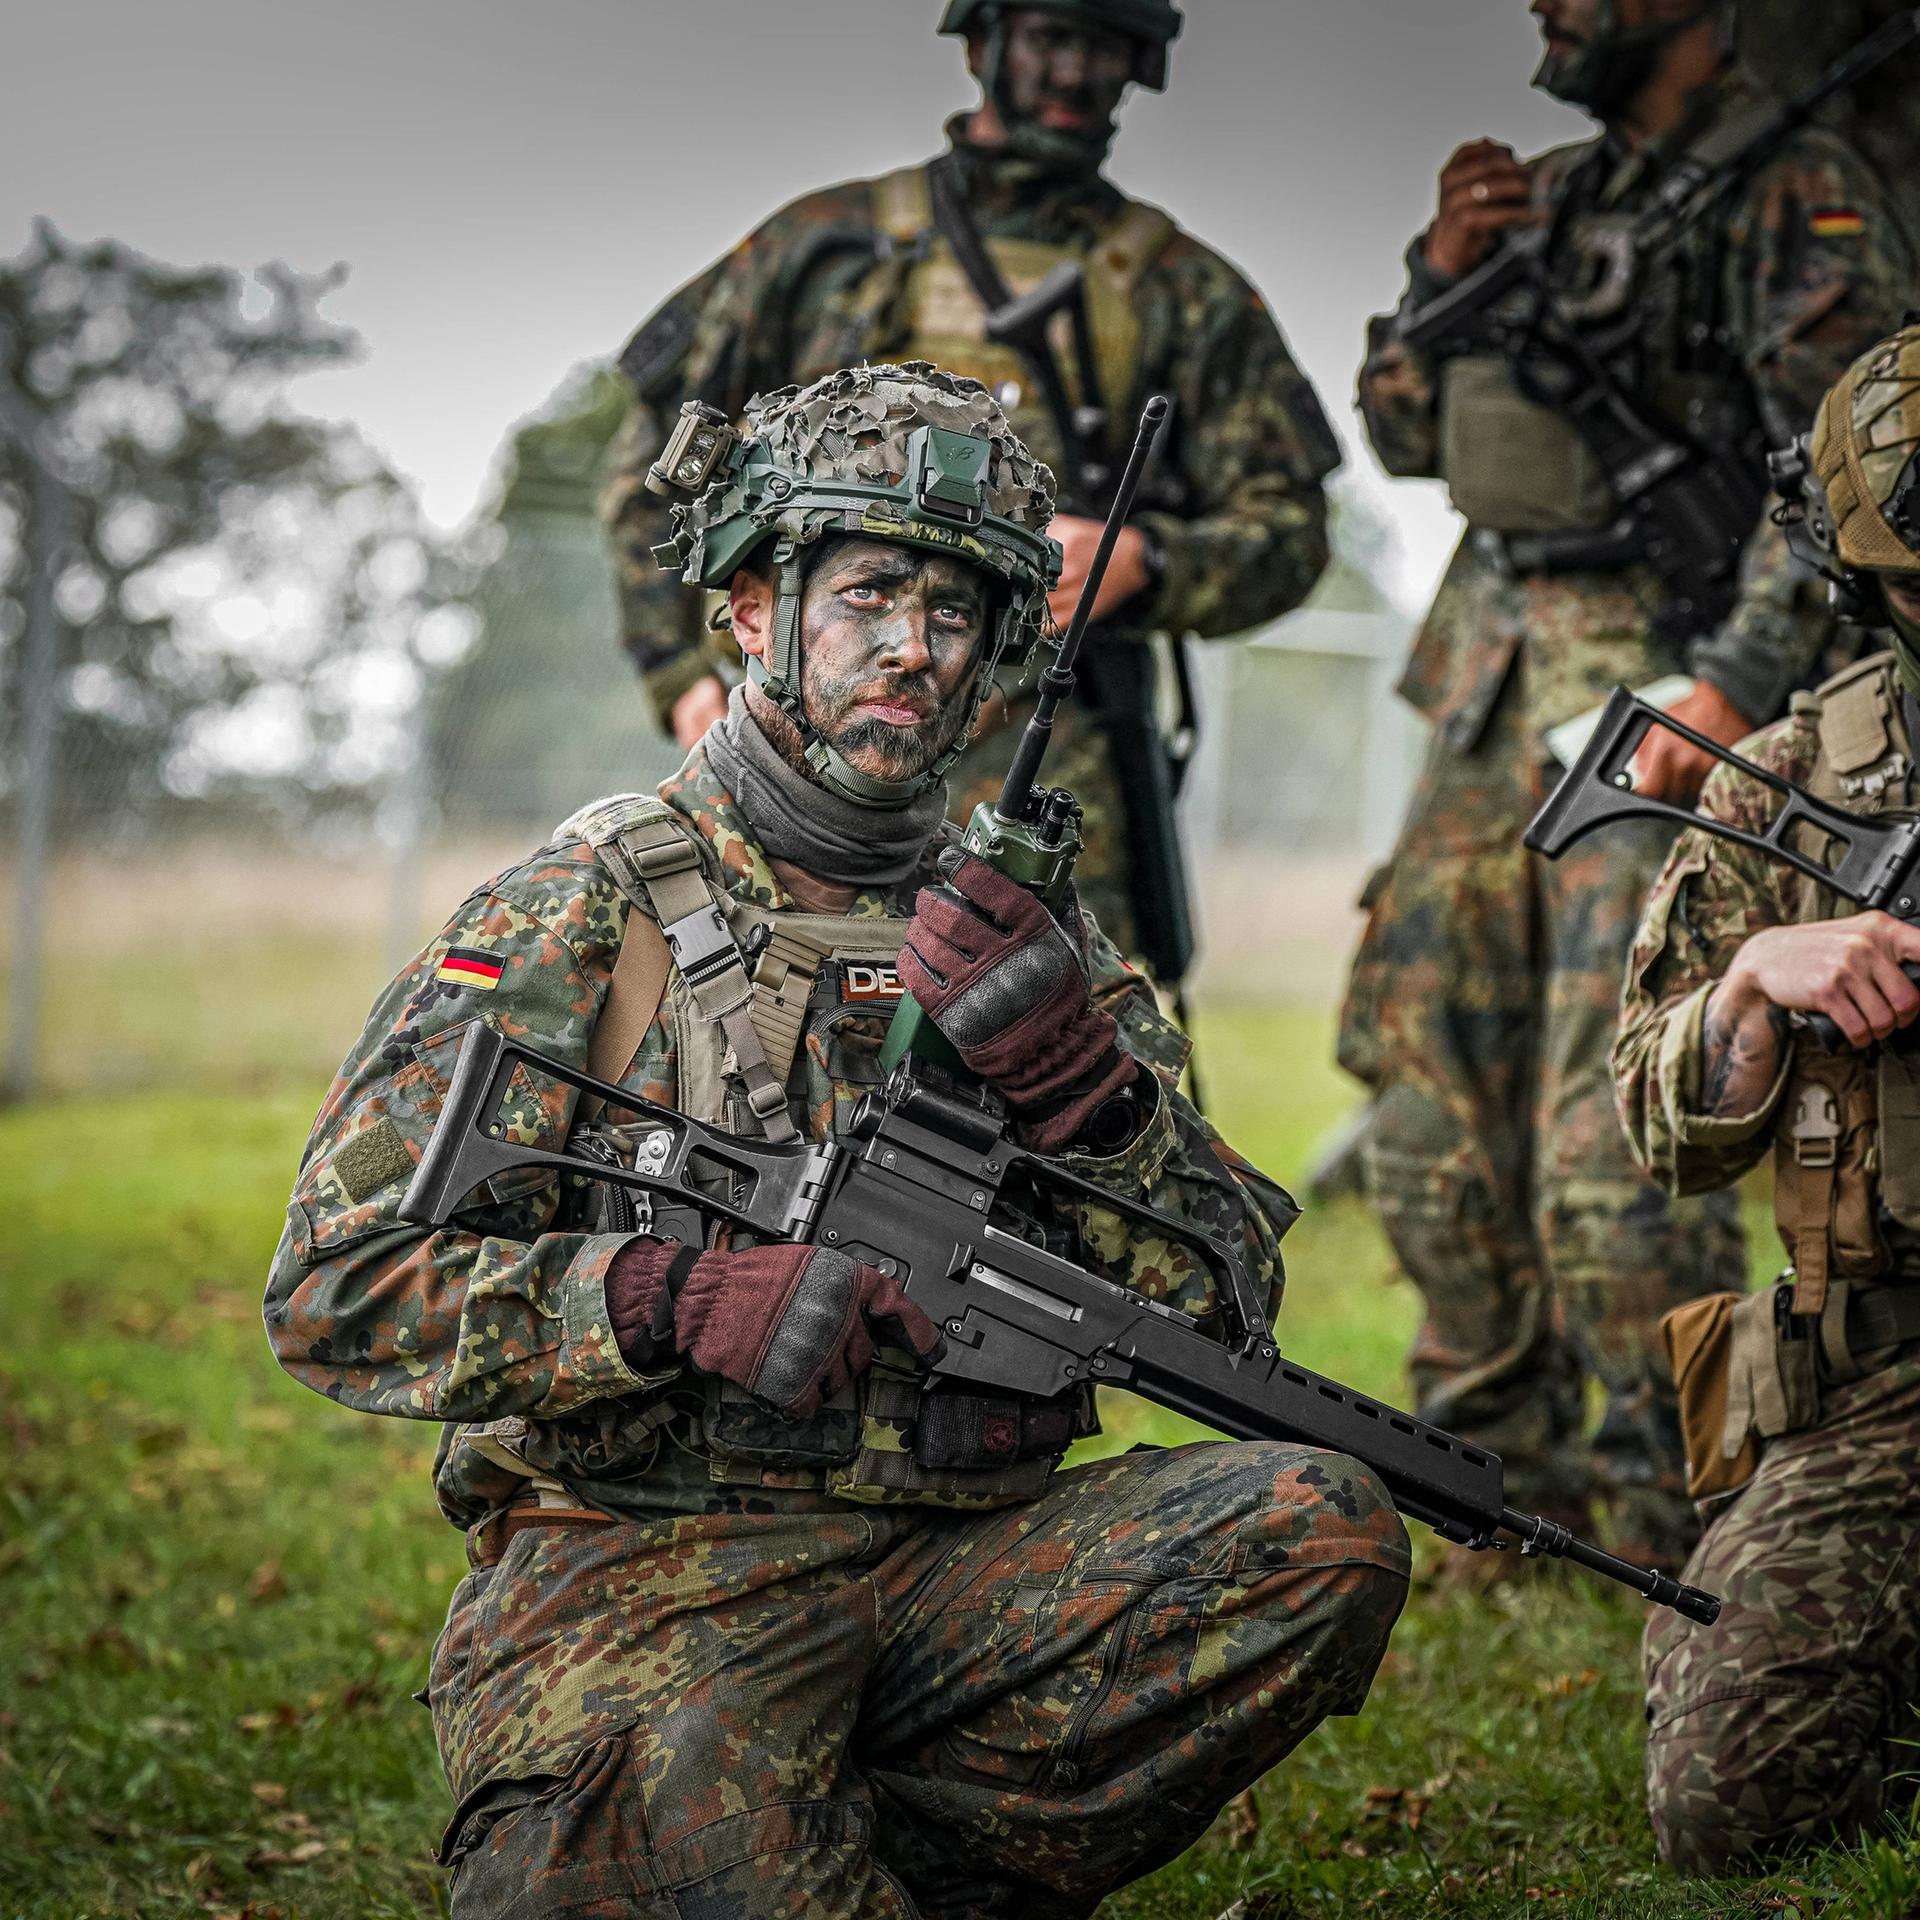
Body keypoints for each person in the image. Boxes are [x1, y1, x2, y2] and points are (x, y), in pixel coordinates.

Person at [265, 364, 1409, 1917]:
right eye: (867, 592)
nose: (913, 650)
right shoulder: (584, 903)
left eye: (956, 614)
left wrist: (1087, 1089)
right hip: (652, 1568)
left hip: (963, 1560)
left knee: (1315, 1530)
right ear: (753, 609)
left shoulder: (1031, 931)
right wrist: (663, 1303)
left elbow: (1225, 1301)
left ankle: (889, 1849)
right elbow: (339, 1282)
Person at [1339, 0, 1915, 1560]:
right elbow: (1401, 431)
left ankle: (1671, 1504)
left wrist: (1733, 678)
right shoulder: (1557, 198)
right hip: (1491, 680)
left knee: (1625, 1115)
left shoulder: (1798, 190)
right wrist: (1440, 283)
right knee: (1427, 1088)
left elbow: (1851, 475)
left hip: (1669, 687)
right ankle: (1481, 1485)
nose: (1549, 8)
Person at [600, 0, 1340, 983]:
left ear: (1141, 64)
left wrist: (1148, 563)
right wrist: (681, 682)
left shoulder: (1181, 292)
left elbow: (1290, 527)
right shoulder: (824, 249)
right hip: (798, 772)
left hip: (1051, 783)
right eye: (1051, 39)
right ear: (984, 43)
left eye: (1104, 47)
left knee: (1053, 1074)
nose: (1076, 74)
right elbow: (652, 468)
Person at [1619, 325, 1920, 1872]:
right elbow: (1654, 1121)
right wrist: (1752, 985)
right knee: (1727, 1802)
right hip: (1889, 1365)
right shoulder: (1788, 785)